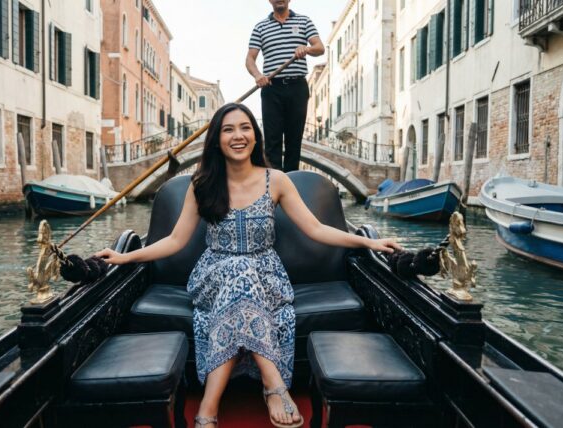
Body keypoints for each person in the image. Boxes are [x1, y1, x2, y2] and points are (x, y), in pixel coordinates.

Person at [96, 103, 400, 428]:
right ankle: (274, 384)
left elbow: (316, 229)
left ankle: (208, 409)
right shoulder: (202, 184)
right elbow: (174, 241)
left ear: (255, 136)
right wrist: (125, 257)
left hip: (266, 274)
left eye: (245, 128)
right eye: (228, 129)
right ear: (217, 140)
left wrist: (368, 242)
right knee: (238, 274)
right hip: (214, 273)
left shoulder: (277, 180)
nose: (238, 135)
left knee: (244, 277)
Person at [246, 0, 325, 172]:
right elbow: (250, 59)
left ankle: (289, 188)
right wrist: (258, 75)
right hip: (271, 89)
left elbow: (319, 48)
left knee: (294, 141)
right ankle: (273, 187)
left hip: (297, 88)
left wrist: (306, 49)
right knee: (272, 142)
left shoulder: (304, 21)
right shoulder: (260, 27)